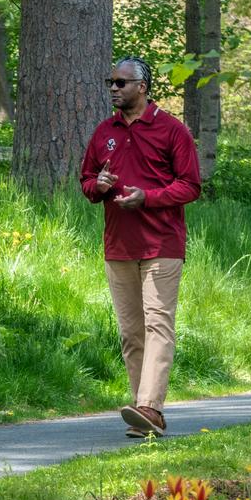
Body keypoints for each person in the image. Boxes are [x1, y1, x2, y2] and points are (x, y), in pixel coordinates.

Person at [79, 56, 201, 437]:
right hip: (118, 246)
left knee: (157, 323)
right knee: (131, 333)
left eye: (121, 82)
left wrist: (147, 197)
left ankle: (149, 406)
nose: (113, 88)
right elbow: (86, 182)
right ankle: (145, 414)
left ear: (142, 87)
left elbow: (190, 185)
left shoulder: (172, 130)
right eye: (110, 82)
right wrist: (98, 185)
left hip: (162, 243)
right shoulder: (104, 132)